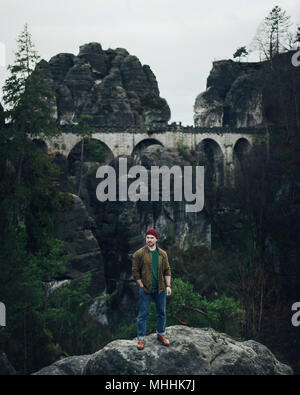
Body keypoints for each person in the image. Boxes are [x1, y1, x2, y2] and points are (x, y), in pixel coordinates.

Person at [132, 228, 171, 350]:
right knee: (143, 314)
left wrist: (168, 285)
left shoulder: (162, 254)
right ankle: (141, 339)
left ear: (156, 239)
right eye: (147, 237)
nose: (149, 240)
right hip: (146, 289)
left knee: (162, 312)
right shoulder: (139, 254)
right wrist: (141, 285)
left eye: (151, 238)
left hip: (160, 287)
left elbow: (167, 270)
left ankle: (161, 334)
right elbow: (135, 271)